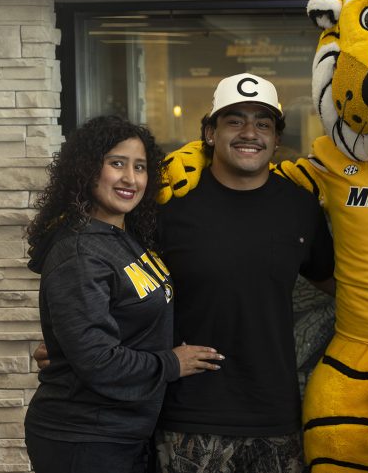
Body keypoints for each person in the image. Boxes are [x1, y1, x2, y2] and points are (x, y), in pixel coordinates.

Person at [154, 73, 335, 473]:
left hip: (274, 414)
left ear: (275, 138)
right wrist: (76, 343)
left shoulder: (301, 208)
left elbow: (334, 281)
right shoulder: (171, 206)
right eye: (234, 120)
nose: (250, 133)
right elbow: (126, 288)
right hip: (189, 415)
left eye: (263, 123)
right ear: (209, 132)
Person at [23, 115, 221, 473]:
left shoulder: (123, 237)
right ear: (87, 169)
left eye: (141, 167)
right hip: (83, 438)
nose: (131, 178)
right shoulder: (80, 251)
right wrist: (172, 363)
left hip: (120, 433)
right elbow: (99, 362)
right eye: (117, 164)